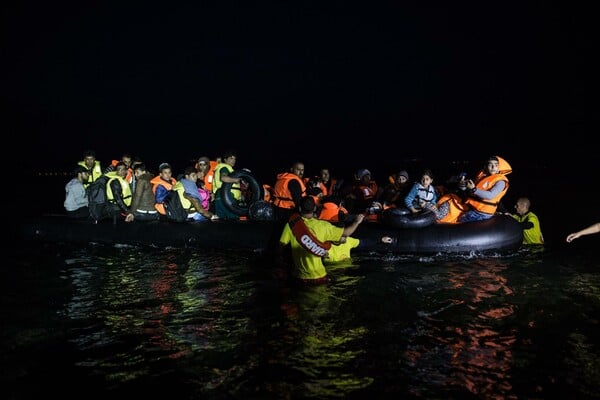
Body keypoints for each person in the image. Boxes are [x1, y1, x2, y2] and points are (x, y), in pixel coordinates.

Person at [278, 196, 365, 284]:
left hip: (299, 276)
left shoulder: (291, 225)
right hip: (319, 276)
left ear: (300, 209)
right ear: (315, 208)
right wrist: (356, 222)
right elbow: (346, 233)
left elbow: (281, 247)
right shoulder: (323, 226)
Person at [436, 155, 512, 224]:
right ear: (486, 166)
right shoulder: (482, 176)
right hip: (472, 207)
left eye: (496, 165)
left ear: (499, 167)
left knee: (460, 222)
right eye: (490, 164)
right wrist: (462, 185)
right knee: (452, 203)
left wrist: (474, 189)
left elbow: (490, 196)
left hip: (482, 213)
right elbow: (469, 190)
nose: (493, 167)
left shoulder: (501, 181)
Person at [212, 150, 243, 220]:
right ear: (225, 159)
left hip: (220, 197)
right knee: (234, 219)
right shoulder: (224, 168)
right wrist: (235, 180)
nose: (233, 161)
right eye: (231, 158)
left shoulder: (221, 168)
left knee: (221, 221)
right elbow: (223, 178)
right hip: (227, 196)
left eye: (235, 159)